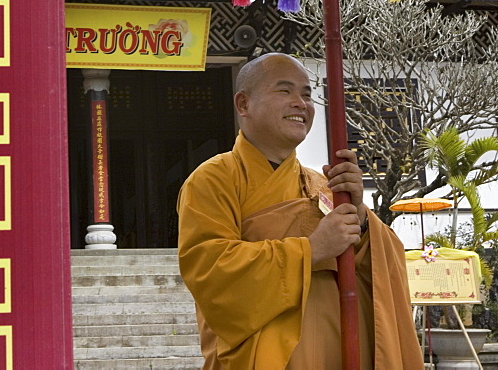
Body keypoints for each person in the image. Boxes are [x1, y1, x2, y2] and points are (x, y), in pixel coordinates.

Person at [177, 53, 423, 369]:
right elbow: (211, 273)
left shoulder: (325, 185)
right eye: (285, 91)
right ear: (243, 105)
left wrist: (360, 217)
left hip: (342, 353)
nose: (301, 103)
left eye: (307, 94)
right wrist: (313, 250)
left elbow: (378, 267)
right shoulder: (213, 179)